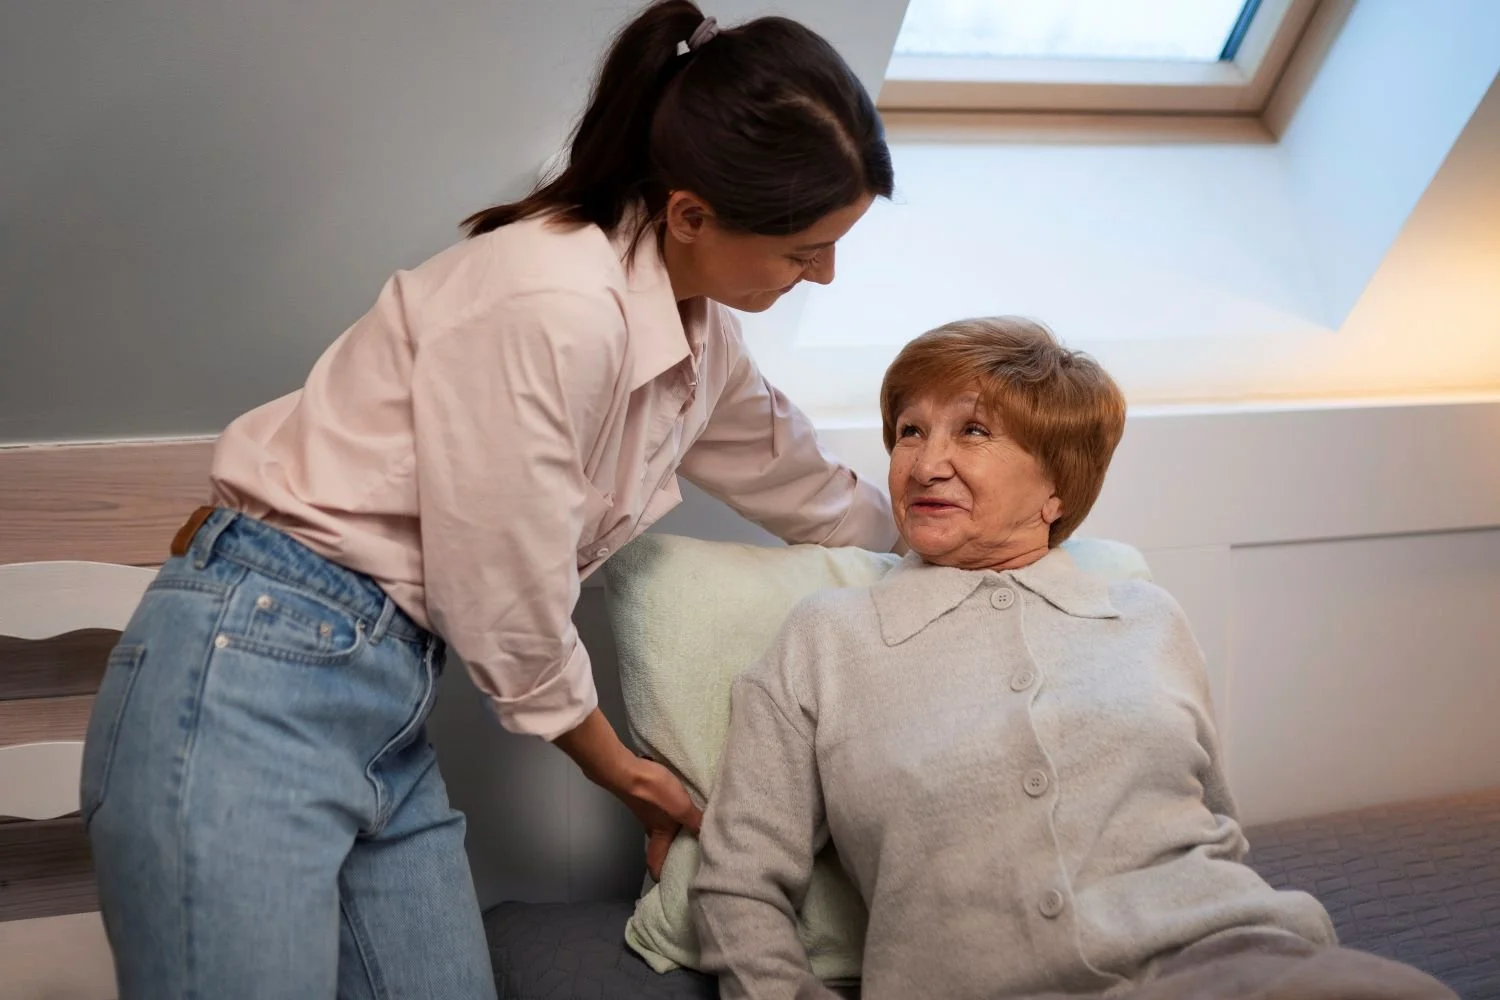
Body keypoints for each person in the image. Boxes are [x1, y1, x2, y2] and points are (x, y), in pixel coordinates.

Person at [79, 2, 898, 997]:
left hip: (384, 697)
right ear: (691, 214)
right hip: (258, 665)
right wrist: (623, 770)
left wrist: (975, 543)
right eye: (805, 250)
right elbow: (501, 583)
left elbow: (804, 484)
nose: (825, 272)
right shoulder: (551, 298)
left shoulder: (698, 343)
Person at [691, 318, 1457, 1000]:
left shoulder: (1144, 614)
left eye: (973, 433)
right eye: (909, 432)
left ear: (1057, 486)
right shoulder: (827, 635)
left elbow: (1217, 822)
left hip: (1236, 959)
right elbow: (737, 883)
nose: (924, 464)